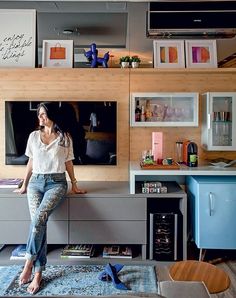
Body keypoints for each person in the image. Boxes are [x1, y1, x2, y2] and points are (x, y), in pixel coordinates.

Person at [17, 102, 86, 294]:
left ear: (53, 116)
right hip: (35, 184)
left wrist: (74, 184)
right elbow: (31, 161)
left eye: (44, 114)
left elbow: (69, 162)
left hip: (56, 183)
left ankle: (29, 261)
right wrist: (24, 184)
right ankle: (38, 273)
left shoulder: (65, 138)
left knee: (38, 219)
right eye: (39, 114)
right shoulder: (33, 136)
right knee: (39, 223)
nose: (40, 118)